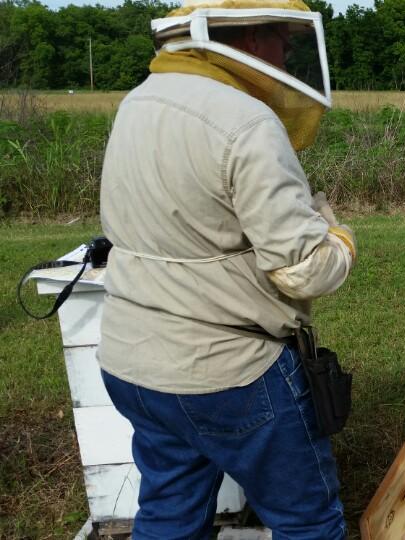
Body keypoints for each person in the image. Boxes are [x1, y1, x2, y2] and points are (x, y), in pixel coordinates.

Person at [97, 1, 354, 538]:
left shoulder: (138, 102)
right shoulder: (246, 121)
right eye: (282, 41)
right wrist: (341, 240)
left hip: (132, 364)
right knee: (306, 521)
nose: (286, 56)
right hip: (228, 370)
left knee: (169, 514)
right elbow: (303, 268)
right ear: (251, 40)